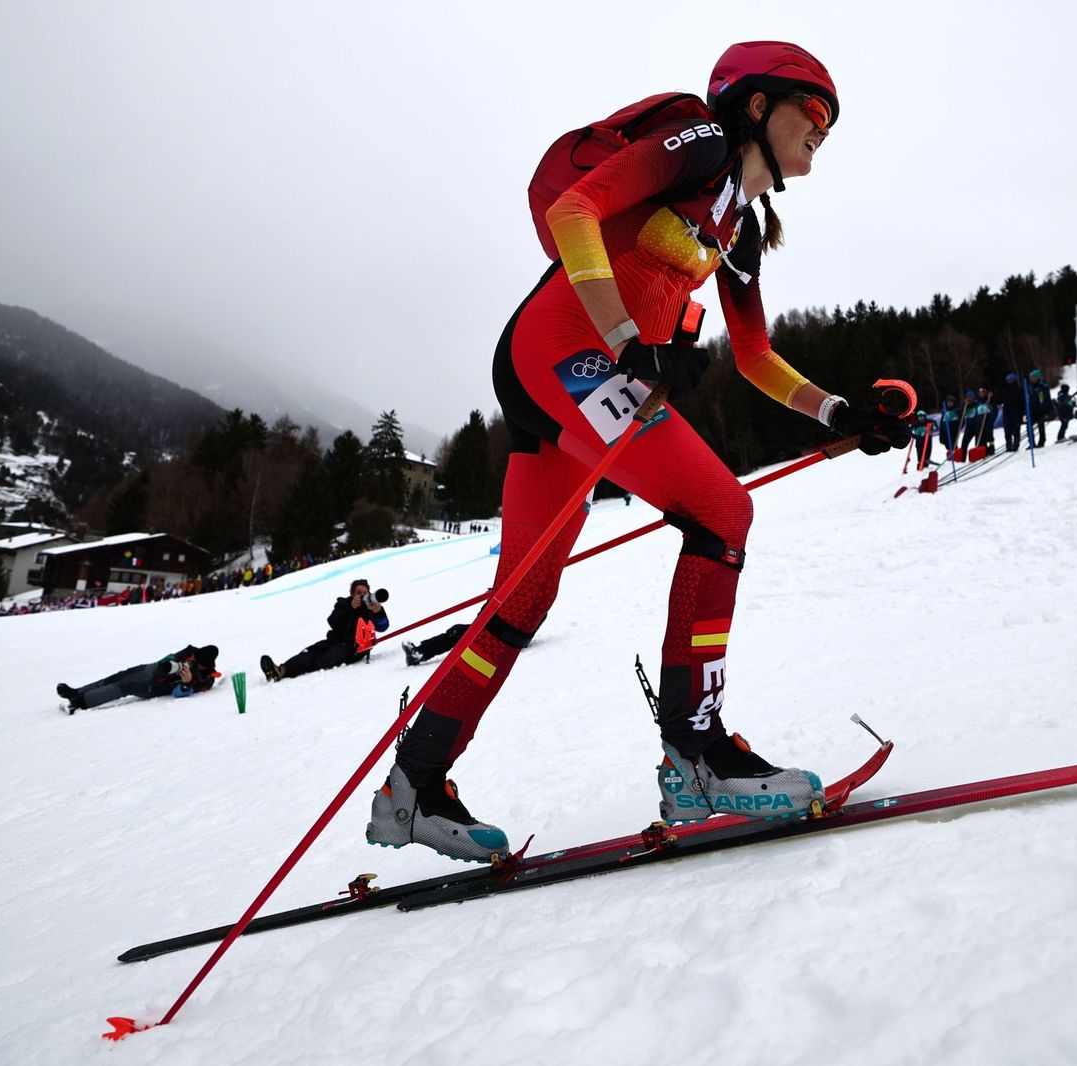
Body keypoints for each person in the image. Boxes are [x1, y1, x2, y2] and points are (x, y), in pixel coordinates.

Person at [367, 42, 909, 863]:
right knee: (723, 509)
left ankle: (413, 784)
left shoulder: (742, 226)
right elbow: (575, 213)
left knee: (523, 597)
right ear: (758, 104)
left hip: (572, 369)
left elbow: (756, 358)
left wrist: (843, 412)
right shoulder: (704, 143)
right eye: (815, 110)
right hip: (564, 350)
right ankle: (695, 758)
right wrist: (628, 342)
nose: (823, 131)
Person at [261, 579, 390, 681]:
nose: (362, 596)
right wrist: (350, 608)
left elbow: (383, 627)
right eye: (358, 593)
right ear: (351, 594)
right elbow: (332, 621)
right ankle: (281, 670)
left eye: (364, 593)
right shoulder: (344, 604)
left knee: (323, 660)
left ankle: (296, 670)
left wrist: (378, 612)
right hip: (334, 640)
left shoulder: (371, 608)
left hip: (354, 648)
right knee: (310, 652)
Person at [56, 644, 219, 713]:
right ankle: (76, 692)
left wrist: (187, 682)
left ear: (205, 665)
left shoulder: (206, 679)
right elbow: (167, 660)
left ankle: (80, 703)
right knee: (117, 677)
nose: (192, 661)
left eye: (196, 662)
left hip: (157, 687)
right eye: (193, 659)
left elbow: (178, 694)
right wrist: (173, 662)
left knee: (126, 686)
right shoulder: (191, 651)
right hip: (153, 669)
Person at [998, 372, 1026, 451]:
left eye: (1010, 380)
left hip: (1016, 412)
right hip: (1007, 412)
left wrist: (1022, 412)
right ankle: (1009, 445)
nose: (1008, 382)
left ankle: (1016, 445)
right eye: (1007, 380)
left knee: (1016, 429)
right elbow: (1001, 399)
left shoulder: (1019, 389)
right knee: (1007, 430)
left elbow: (1022, 401)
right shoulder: (1005, 389)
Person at [1026, 369, 1053, 447]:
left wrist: (1046, 409)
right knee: (1029, 426)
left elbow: (1044, 399)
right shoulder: (1030, 386)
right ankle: (1031, 442)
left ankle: (1042, 441)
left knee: (1041, 425)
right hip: (1031, 409)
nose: (1030, 379)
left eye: (1032, 377)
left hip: (1040, 409)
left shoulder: (1042, 386)